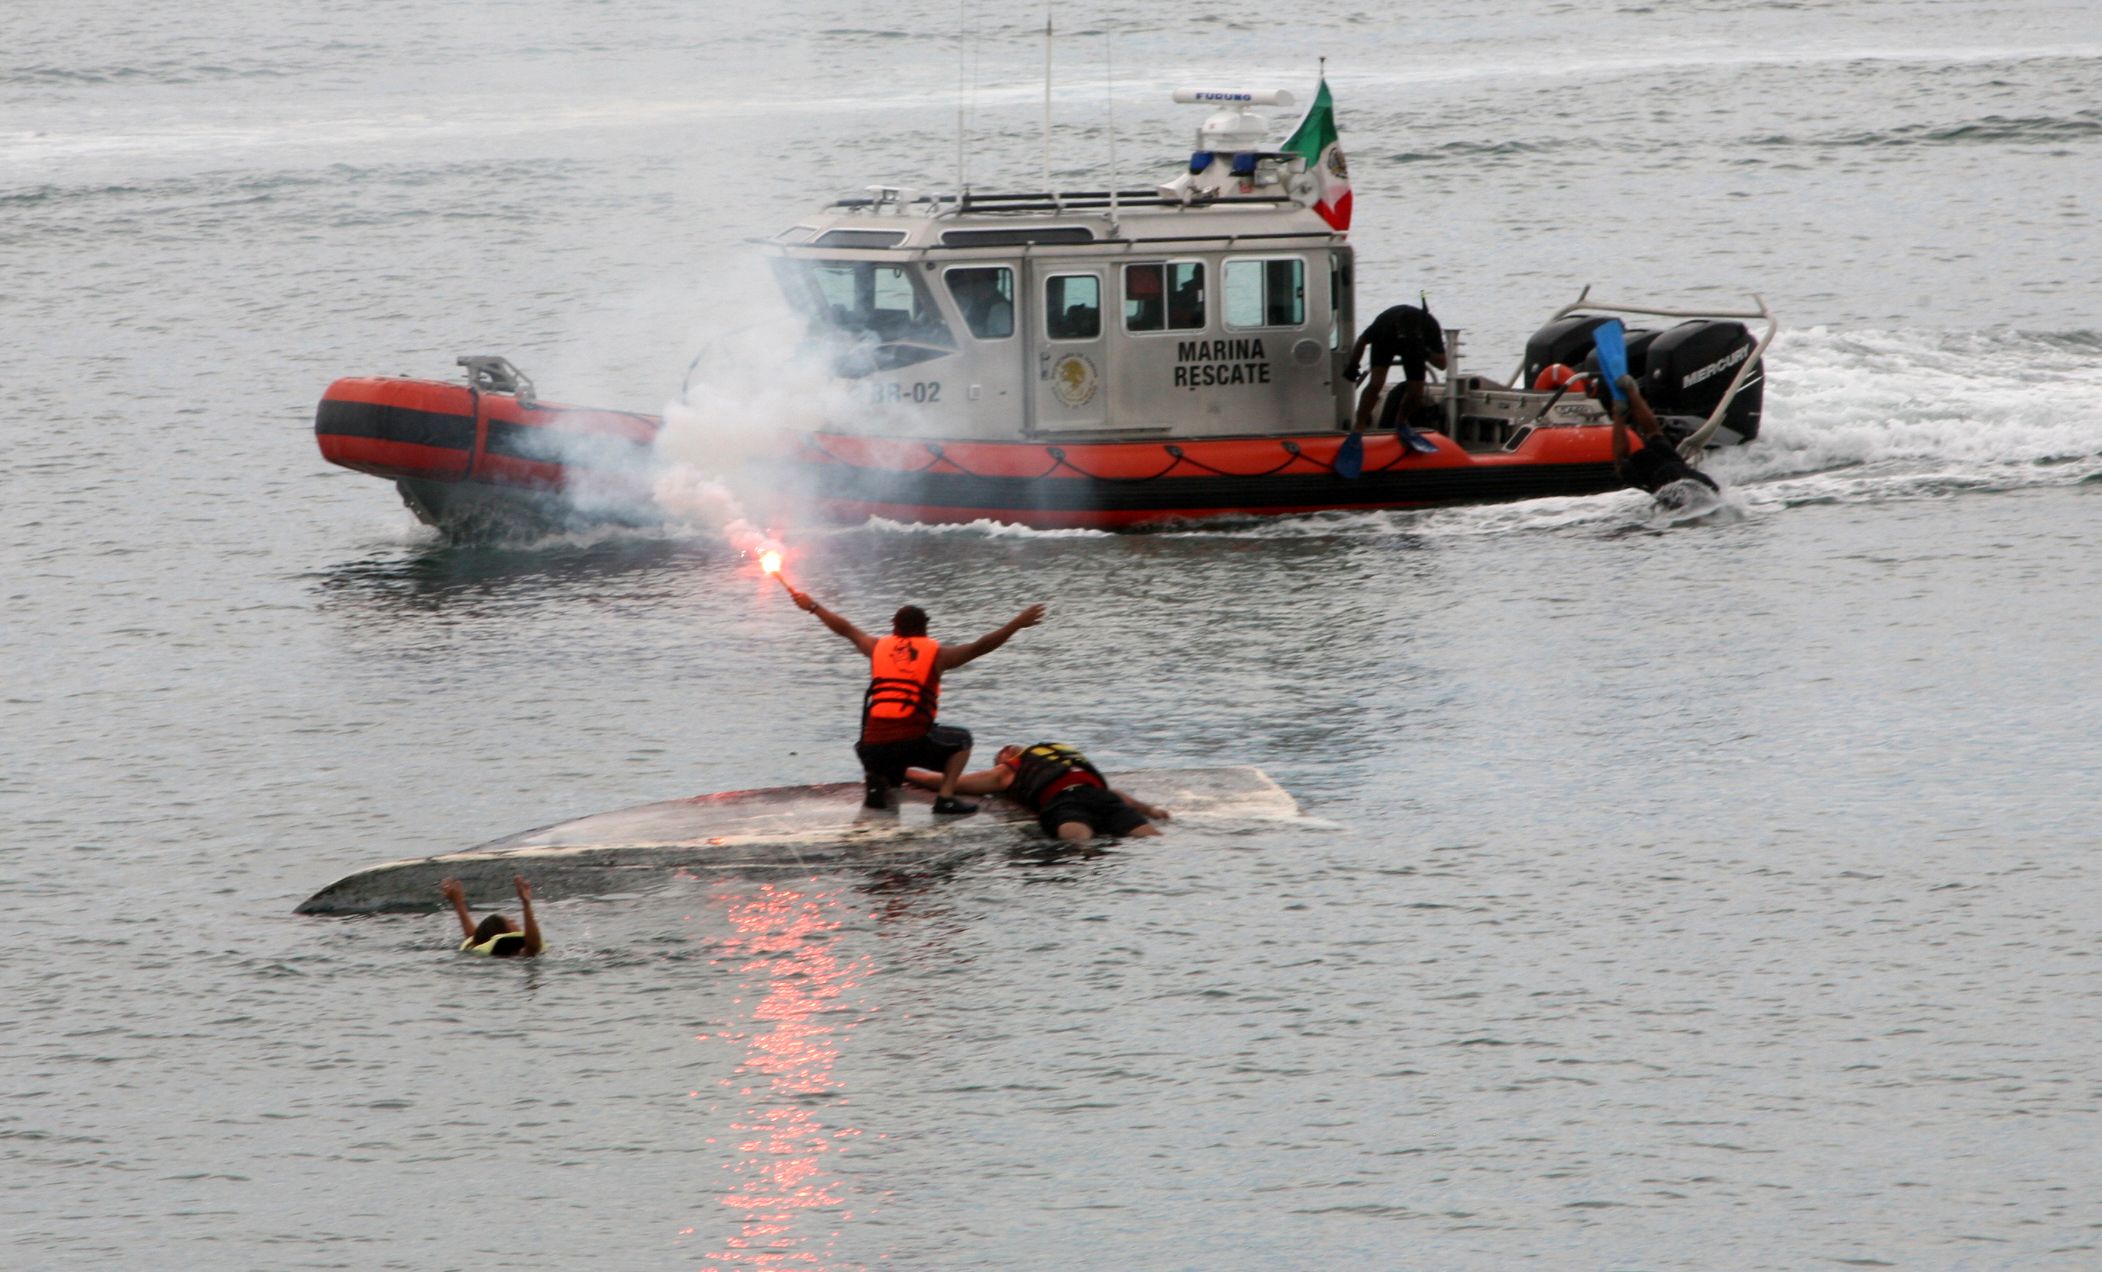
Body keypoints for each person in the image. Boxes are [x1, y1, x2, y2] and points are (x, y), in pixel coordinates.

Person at [788, 590, 1046, 815]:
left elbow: (845, 629)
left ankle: (878, 782)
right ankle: (945, 799)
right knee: (962, 739)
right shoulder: (937, 656)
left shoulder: (876, 647)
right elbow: (981, 646)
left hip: (872, 750)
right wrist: (1016, 624)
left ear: (894, 627)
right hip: (912, 746)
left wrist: (813, 606)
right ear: (925, 628)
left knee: (886, 773)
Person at [905, 742, 1170, 842]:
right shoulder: (1061, 755)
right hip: (1102, 797)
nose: (1005, 750)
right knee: (1151, 837)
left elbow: (949, 782)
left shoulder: (1008, 770)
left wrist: (903, 771)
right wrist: (1150, 810)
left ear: (1005, 759)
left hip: (1065, 802)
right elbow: (1117, 794)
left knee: (1078, 840)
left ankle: (1085, 852)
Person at [1602, 374, 1721, 505]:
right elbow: (1653, 430)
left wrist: (1618, 415)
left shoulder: (1641, 468)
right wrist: (1631, 393)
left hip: (1671, 486)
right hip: (1698, 479)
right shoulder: (1665, 453)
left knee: (1621, 465)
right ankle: (1630, 389)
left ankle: (1621, 408)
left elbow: (1620, 459)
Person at [1345, 302, 1449, 433]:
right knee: (1376, 384)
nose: (1403, 340)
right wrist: (1353, 365)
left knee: (1416, 394)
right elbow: (1362, 341)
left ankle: (1401, 422)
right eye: (1402, 336)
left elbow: (1442, 365)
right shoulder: (1384, 325)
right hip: (1386, 342)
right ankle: (1359, 426)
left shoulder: (1430, 327)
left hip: (1416, 349)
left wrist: (1425, 352)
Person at [441, 875, 544, 958]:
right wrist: (526, 904)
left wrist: (458, 903)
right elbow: (533, 947)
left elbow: (475, 937)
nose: (513, 920)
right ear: (506, 934)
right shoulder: (519, 954)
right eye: (509, 922)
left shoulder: (488, 952)